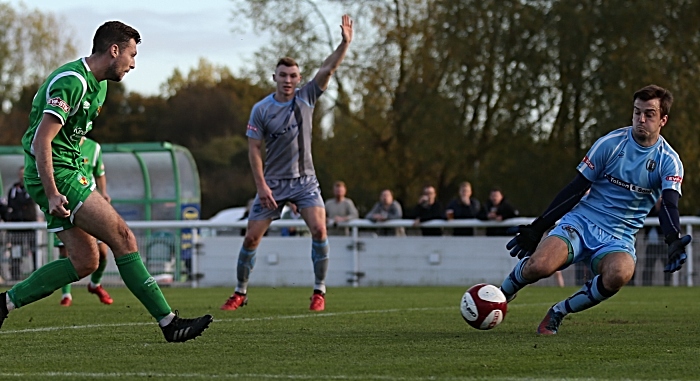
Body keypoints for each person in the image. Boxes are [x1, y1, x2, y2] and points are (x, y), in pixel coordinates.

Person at [0, 21, 212, 342]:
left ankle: (4, 304)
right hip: (57, 174)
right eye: (131, 54)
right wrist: (53, 192)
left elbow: (68, 139)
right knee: (124, 238)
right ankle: (169, 323)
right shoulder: (73, 81)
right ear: (114, 50)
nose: (134, 63)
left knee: (86, 261)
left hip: (69, 171)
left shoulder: (99, 85)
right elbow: (42, 140)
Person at [501, 85, 690, 335]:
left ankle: (558, 311)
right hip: (580, 224)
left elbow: (668, 204)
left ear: (663, 120)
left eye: (649, 114)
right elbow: (575, 189)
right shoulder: (610, 144)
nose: (640, 119)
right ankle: (501, 294)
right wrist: (538, 228)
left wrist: (672, 238)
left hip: (619, 238)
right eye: (636, 112)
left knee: (620, 274)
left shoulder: (669, 161)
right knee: (539, 267)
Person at [220, 15, 353, 312]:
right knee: (252, 237)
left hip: (305, 182)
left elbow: (328, 67)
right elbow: (253, 149)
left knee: (320, 230)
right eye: (283, 75)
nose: (289, 80)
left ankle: (319, 291)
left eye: (293, 75)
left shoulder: (307, 97)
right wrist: (262, 186)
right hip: (274, 184)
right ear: (275, 78)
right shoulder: (262, 109)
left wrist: (344, 43)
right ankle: (240, 292)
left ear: (299, 78)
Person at [55, 137, 113, 307]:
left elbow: (99, 173)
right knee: (66, 252)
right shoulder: (58, 142)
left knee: (102, 252)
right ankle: (66, 294)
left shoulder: (94, 147)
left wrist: (104, 193)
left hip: (89, 203)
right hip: (66, 202)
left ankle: (95, 284)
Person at [5, 166, 38, 281]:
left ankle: (36, 273)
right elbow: (11, 204)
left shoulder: (32, 187)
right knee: (16, 250)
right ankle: (15, 274)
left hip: (30, 225)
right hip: (16, 228)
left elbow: (29, 203)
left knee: (33, 249)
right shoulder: (13, 190)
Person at [642, 198, 671, 286]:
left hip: (662, 243)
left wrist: (660, 207)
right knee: (648, 266)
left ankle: (667, 284)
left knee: (667, 265)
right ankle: (646, 285)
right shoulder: (650, 209)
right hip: (651, 244)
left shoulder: (665, 209)